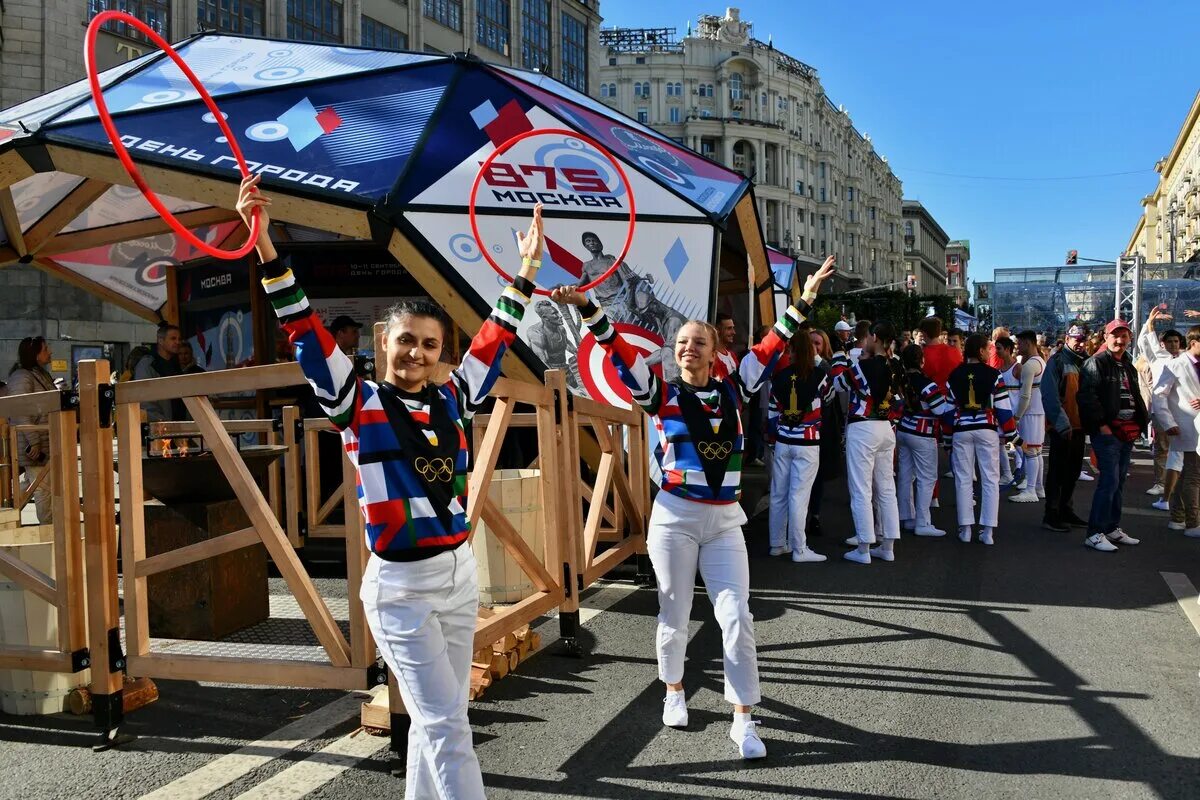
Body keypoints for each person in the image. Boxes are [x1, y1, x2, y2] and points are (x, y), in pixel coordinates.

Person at [238, 175, 544, 800]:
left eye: (430, 345)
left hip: (459, 575)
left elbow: (495, 337)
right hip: (401, 586)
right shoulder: (359, 402)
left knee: (441, 722)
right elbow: (304, 330)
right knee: (447, 725)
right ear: (383, 343)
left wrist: (525, 274)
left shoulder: (456, 396)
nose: (418, 354)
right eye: (406, 341)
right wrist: (265, 247)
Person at [550, 255, 836, 759]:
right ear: (674, 351)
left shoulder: (733, 386)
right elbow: (617, 352)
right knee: (674, 613)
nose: (688, 348)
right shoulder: (658, 394)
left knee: (737, 618)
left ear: (713, 351)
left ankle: (744, 719)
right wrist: (591, 307)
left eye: (698, 342)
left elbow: (770, 346)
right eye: (681, 342)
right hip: (675, 517)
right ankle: (674, 690)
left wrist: (804, 299)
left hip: (725, 521)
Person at [836, 321, 904, 564]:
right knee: (886, 488)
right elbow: (899, 399)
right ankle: (888, 545)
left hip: (863, 426)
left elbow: (839, 384)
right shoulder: (896, 365)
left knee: (861, 489)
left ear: (874, 337)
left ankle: (864, 547)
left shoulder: (861, 366)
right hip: (886, 427)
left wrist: (850, 360)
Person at [1077, 319, 1147, 552]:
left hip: (1127, 432)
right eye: (1115, 335)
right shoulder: (1096, 362)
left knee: (1119, 481)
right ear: (1105, 338)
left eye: (1124, 336)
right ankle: (1095, 532)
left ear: (1130, 338)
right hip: (1108, 433)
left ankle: (1110, 528)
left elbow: (1135, 394)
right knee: (1109, 481)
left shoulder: (1128, 364)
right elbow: (1086, 396)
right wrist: (1102, 426)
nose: (1120, 340)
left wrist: (1139, 423)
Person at [766, 323, 833, 562]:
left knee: (778, 493)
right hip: (807, 441)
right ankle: (799, 548)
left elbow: (772, 415)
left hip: (783, 440)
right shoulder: (820, 376)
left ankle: (776, 543)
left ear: (792, 350)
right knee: (799, 496)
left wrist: (774, 441)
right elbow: (829, 398)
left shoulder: (780, 377)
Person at [942, 334, 1016, 544]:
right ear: (982, 351)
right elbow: (1003, 410)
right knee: (990, 479)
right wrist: (1014, 437)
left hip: (961, 430)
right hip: (987, 429)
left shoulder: (954, 375)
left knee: (963, 479)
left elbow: (948, 413)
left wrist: (947, 440)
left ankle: (965, 528)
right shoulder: (994, 375)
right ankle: (988, 531)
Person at [1151, 324, 1200, 539]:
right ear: (1194, 342)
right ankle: (1193, 522)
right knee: (1193, 475)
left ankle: (1178, 517)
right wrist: (1167, 421)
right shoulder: (1176, 365)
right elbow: (1159, 394)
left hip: (1194, 426)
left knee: (1186, 474)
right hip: (1184, 426)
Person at [896, 344, 950, 537]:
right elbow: (940, 410)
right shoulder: (927, 384)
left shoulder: (900, 380)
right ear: (922, 361)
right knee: (927, 478)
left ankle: (907, 517)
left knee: (905, 475)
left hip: (903, 430)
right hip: (922, 433)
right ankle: (923, 521)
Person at [1040, 325, 1090, 532]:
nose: (1079, 342)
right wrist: (1061, 424)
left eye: (1082, 339)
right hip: (1063, 427)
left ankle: (1065, 510)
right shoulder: (1057, 361)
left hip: (1079, 426)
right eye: (1075, 338)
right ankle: (1051, 514)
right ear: (1067, 338)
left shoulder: (1086, 361)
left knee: (1073, 471)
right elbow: (1050, 396)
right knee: (1058, 472)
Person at [6, 337, 56, 523]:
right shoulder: (22, 376)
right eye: (45, 349)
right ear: (35, 354)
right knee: (42, 488)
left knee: (35, 484)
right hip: (35, 444)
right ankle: (49, 530)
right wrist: (34, 440)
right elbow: (20, 410)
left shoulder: (38, 373)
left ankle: (6, 510)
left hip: (44, 441)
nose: (49, 351)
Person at [1137, 306, 1182, 503]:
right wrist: (1150, 322)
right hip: (1161, 412)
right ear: (1162, 343)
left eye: (1176, 341)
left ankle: (1178, 484)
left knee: (1183, 450)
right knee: (1162, 448)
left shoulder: (1185, 359)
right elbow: (1144, 342)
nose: (1173, 344)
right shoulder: (1157, 357)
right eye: (1169, 341)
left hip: (1183, 413)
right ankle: (1161, 483)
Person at [807, 328, 842, 538]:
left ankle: (815, 516)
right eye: (810, 342)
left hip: (824, 429)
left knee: (818, 476)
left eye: (817, 343)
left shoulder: (826, 367)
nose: (813, 347)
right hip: (802, 433)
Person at [1009, 330, 1046, 504]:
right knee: (1036, 451)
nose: (1017, 346)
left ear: (1028, 343)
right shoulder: (1040, 361)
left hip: (1030, 412)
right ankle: (1037, 487)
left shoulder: (1030, 365)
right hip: (1038, 411)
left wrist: (1017, 416)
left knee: (1031, 451)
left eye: (1019, 343)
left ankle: (1032, 489)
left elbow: (1025, 396)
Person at [133, 323, 184, 421]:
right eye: (173, 338)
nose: (178, 342)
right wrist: (158, 420)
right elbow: (144, 397)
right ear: (161, 341)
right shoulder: (148, 364)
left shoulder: (176, 364)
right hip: (159, 426)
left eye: (179, 339)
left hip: (177, 424)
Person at [994, 336, 1022, 488]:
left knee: (1018, 442)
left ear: (1007, 349)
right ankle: (1007, 474)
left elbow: (1025, 391)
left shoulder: (1018, 368)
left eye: (999, 348)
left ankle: (1020, 469)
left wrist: (1020, 412)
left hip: (1016, 412)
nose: (996, 351)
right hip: (1003, 412)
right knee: (1000, 442)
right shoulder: (998, 371)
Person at [713, 312, 739, 378]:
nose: (734, 332)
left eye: (733, 328)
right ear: (717, 330)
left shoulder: (732, 355)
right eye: (729, 328)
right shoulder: (712, 357)